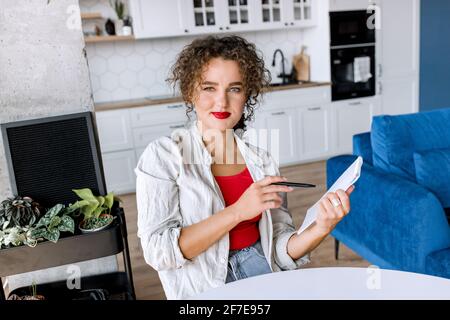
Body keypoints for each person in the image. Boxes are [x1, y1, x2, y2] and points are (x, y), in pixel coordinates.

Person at [135, 35, 354, 300]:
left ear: (246, 96)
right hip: (204, 290)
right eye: (209, 88)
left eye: (234, 89)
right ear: (191, 91)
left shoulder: (261, 160)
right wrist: (238, 211)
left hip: (263, 275)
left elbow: (279, 249)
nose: (222, 102)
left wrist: (320, 227)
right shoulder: (164, 156)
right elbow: (159, 252)